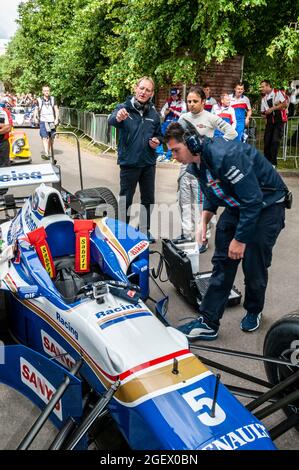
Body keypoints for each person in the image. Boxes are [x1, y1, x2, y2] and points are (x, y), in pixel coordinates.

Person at [165, 121, 288, 340]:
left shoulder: (225, 156)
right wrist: (203, 223)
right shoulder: (196, 164)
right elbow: (212, 193)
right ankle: (209, 322)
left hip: (267, 205)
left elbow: (253, 200)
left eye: (176, 150)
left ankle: (253, 309)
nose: (173, 156)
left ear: (192, 144)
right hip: (240, 204)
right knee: (222, 260)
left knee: (253, 261)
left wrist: (240, 239)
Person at [175, 86, 237, 246]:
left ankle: (203, 237)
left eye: (195, 101)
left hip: (203, 168)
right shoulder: (182, 119)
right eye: (189, 101)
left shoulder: (211, 117)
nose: (192, 104)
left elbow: (232, 133)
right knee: (184, 200)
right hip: (185, 167)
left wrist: (215, 148)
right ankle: (186, 234)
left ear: (203, 101)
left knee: (202, 203)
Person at [108, 77, 163, 242]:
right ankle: (121, 233)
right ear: (135, 88)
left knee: (148, 199)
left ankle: (144, 230)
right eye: (142, 88)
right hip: (129, 163)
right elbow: (111, 120)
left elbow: (159, 134)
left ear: (152, 94)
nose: (143, 92)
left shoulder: (154, 113)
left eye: (148, 90)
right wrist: (118, 117)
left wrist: (158, 141)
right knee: (126, 198)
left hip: (148, 163)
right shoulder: (124, 108)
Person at [260, 80, 287, 167]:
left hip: (279, 120)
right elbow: (262, 113)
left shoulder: (277, 92)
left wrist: (273, 108)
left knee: (275, 141)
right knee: (267, 141)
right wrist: (265, 114)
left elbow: (285, 104)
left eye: (263, 86)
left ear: (268, 86)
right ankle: (266, 162)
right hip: (269, 122)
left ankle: (273, 163)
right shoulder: (263, 98)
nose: (262, 88)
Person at [156, 87, 186, 161]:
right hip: (166, 123)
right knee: (163, 138)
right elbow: (162, 113)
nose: (173, 96)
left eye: (175, 95)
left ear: (178, 94)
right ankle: (162, 154)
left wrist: (174, 111)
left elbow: (183, 115)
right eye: (172, 95)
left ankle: (168, 156)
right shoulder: (168, 102)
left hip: (176, 124)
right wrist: (165, 113)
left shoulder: (182, 103)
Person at [34, 85, 59, 160]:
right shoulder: (39, 100)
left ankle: (48, 150)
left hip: (51, 121)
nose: (46, 92)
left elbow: (56, 109)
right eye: (45, 91)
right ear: (42, 92)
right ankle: (46, 153)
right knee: (44, 137)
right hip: (43, 121)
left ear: (49, 91)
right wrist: (35, 117)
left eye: (48, 90)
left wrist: (56, 119)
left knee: (51, 137)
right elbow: (36, 109)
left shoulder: (53, 99)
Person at [0, 102, 13, 195]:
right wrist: (1, 126)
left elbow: (8, 128)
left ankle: (2, 191)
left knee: (4, 166)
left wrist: (3, 127)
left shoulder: (5, 111)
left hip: (3, 143)